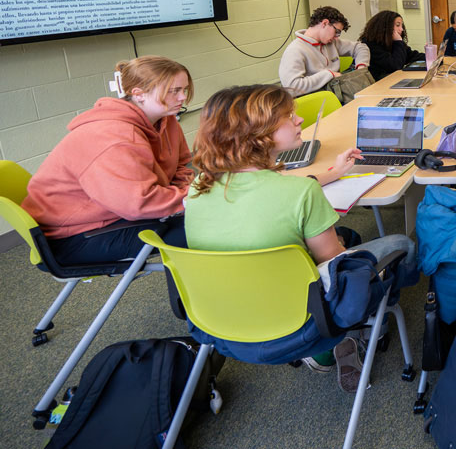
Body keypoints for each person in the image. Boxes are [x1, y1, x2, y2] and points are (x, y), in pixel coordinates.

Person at [185, 84, 416, 389]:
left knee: (349, 234)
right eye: (288, 116)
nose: (299, 121)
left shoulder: (199, 186)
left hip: (222, 322)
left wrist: (333, 173)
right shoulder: (300, 194)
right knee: (403, 245)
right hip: (301, 324)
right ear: (259, 132)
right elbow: (335, 262)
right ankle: (367, 326)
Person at [22, 56, 194, 265]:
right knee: (208, 229)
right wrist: (195, 199)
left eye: (184, 89)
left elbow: (181, 165)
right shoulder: (113, 137)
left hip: (118, 212)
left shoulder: (165, 120)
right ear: (138, 94)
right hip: (73, 238)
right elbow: (138, 203)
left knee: (206, 220)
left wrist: (189, 194)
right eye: (173, 91)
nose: (182, 97)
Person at [279, 6, 370, 96]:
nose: (337, 37)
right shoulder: (295, 50)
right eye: (336, 31)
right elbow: (291, 87)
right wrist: (328, 75)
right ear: (325, 23)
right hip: (316, 101)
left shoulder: (331, 43)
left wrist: (361, 67)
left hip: (337, 93)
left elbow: (361, 47)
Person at [359, 10, 421, 80]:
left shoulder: (391, 42)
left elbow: (411, 56)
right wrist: (398, 42)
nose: (401, 29)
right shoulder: (370, 45)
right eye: (398, 25)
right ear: (385, 27)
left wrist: (432, 58)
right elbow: (395, 66)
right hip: (375, 86)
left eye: (401, 25)